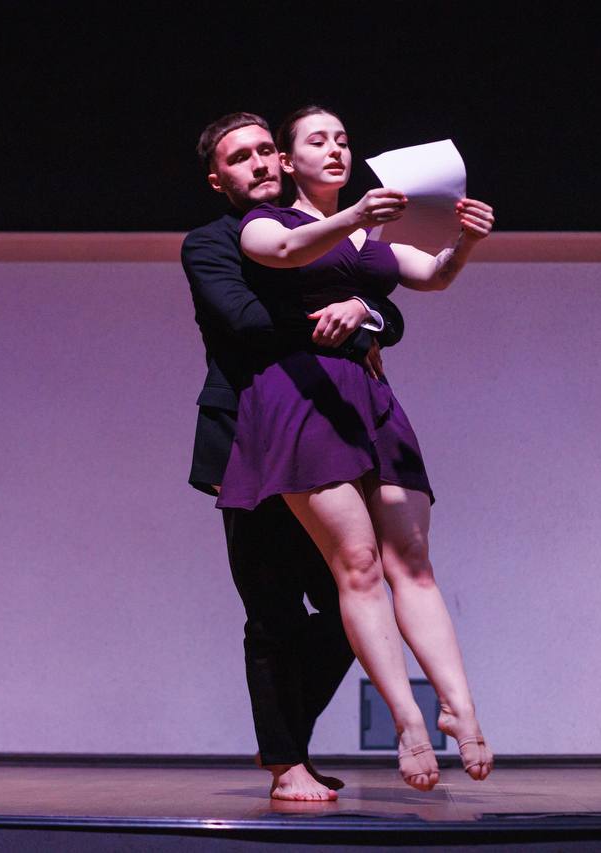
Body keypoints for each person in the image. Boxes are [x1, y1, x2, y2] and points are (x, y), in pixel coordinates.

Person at [215, 106, 496, 791]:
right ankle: (407, 721)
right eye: (317, 141)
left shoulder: (370, 235)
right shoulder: (266, 222)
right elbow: (287, 252)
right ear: (288, 161)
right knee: (359, 565)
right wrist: (355, 217)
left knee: (414, 562)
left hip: (367, 396)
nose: (336, 149)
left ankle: (461, 709)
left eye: (342, 139)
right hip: (299, 396)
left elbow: (433, 274)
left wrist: (464, 242)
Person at [181, 112, 407, 801]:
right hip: (248, 441)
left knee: (355, 594)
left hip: (316, 436)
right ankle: (286, 763)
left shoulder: (317, 231)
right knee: (272, 606)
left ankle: (283, 740)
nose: (256, 164)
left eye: (263, 151)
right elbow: (246, 321)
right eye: (238, 158)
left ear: (282, 159)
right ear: (217, 179)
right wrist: (344, 322)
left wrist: (361, 308)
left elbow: (389, 310)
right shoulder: (211, 243)